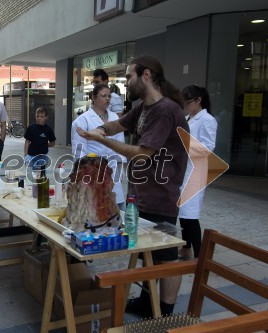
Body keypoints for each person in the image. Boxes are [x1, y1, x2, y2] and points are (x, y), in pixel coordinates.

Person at [77, 55, 189, 317]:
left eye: (129, 76)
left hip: (161, 195)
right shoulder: (143, 107)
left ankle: (165, 310)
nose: (125, 82)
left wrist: (101, 140)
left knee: (167, 256)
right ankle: (146, 302)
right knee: (146, 253)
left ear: (146, 75)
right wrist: (100, 129)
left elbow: (141, 154)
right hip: (141, 193)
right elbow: (120, 123)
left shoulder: (165, 110)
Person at [71, 83, 126, 210]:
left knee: (117, 210)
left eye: (109, 96)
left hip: (113, 172)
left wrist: (120, 171)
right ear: (93, 98)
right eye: (103, 96)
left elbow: (121, 146)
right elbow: (79, 154)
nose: (107, 99)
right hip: (93, 173)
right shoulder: (82, 121)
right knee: (96, 211)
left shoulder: (115, 118)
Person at [178, 85, 217, 259]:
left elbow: (208, 147)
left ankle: (200, 255)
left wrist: (186, 146)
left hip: (195, 170)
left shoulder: (207, 120)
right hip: (183, 169)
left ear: (198, 100)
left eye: (188, 102)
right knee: (182, 212)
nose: (186, 106)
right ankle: (186, 247)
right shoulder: (187, 117)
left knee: (190, 213)